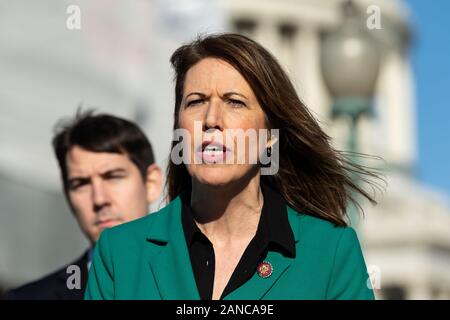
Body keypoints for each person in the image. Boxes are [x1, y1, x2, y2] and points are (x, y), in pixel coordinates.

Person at [85, 33, 382, 300]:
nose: (211, 119)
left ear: (269, 137)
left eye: (234, 102)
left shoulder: (330, 253)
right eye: (196, 102)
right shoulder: (119, 253)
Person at [3, 110, 162, 299]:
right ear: (68, 196)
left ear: (151, 183)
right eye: (81, 184)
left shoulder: (200, 281)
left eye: (113, 176)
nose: (99, 199)